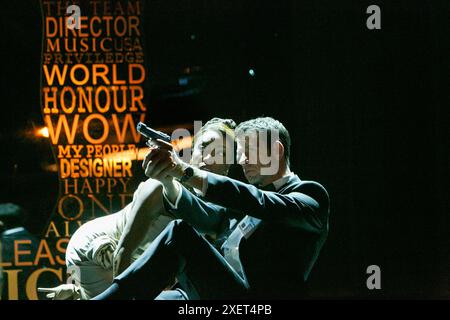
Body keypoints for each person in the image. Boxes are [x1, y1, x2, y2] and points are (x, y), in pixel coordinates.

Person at [94, 116, 330, 300]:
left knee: (179, 233)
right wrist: (169, 179)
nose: (242, 160)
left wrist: (185, 170)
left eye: (249, 151)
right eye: (240, 153)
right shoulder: (242, 208)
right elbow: (203, 215)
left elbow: (260, 202)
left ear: (276, 151)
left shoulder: (310, 196)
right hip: (213, 294)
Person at [39, 118, 237, 300]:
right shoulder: (159, 187)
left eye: (221, 153)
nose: (209, 157)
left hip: (121, 260)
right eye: (204, 146)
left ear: (227, 167)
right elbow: (122, 254)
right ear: (192, 151)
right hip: (94, 245)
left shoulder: (220, 211)